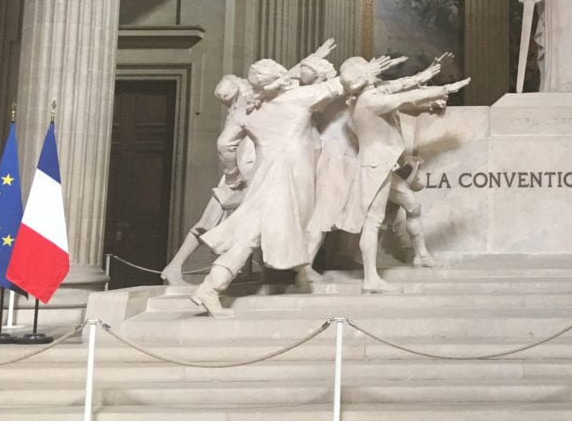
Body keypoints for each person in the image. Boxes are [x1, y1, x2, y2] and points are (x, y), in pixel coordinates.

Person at [190, 59, 354, 317]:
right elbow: (344, 82)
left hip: (265, 175)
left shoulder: (246, 109)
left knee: (254, 233)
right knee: (252, 234)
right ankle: (210, 289)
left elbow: (224, 144)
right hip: (289, 178)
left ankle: (213, 287)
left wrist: (233, 177)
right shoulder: (298, 98)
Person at [341, 55, 469, 294]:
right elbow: (404, 97)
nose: (375, 69)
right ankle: (371, 279)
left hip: (385, 165)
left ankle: (421, 255)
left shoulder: (365, 97)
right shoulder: (368, 101)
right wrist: (443, 88)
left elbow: (396, 86)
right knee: (373, 221)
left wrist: (426, 75)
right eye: (370, 68)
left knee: (413, 204)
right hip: (376, 166)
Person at [161, 75, 255, 286]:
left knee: (251, 224)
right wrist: (234, 177)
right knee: (208, 223)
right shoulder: (241, 114)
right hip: (240, 178)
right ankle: (174, 267)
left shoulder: (247, 108)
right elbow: (227, 148)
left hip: (250, 173)